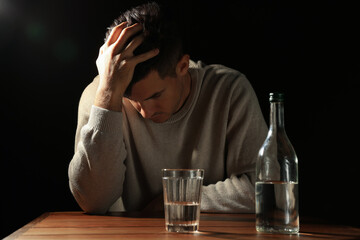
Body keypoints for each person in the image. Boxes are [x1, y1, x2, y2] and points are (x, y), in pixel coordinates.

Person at [68, 2, 268, 214]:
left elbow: (262, 186)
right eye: (132, 99)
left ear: (182, 67)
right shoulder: (101, 96)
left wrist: (175, 198)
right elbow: (93, 201)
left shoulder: (229, 90)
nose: (144, 112)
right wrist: (108, 95)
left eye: (155, 95)